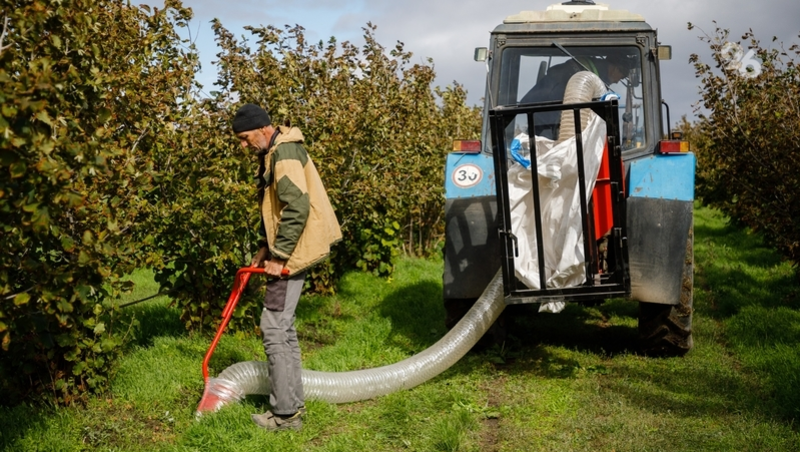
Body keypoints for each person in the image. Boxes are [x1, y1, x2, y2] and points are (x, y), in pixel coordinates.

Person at [232, 103, 342, 431]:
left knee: (274, 328)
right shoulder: (274, 152)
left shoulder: (284, 153)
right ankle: (292, 407)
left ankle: (284, 415)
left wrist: (278, 257)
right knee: (284, 329)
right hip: (288, 248)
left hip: (292, 253)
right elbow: (275, 209)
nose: (243, 144)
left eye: (245, 137)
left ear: (264, 129)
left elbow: (296, 206)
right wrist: (264, 249)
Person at [519, 55, 631, 139]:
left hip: (541, 115)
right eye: (621, 77)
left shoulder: (589, 69)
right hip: (546, 119)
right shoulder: (590, 77)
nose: (617, 82)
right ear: (616, 69)